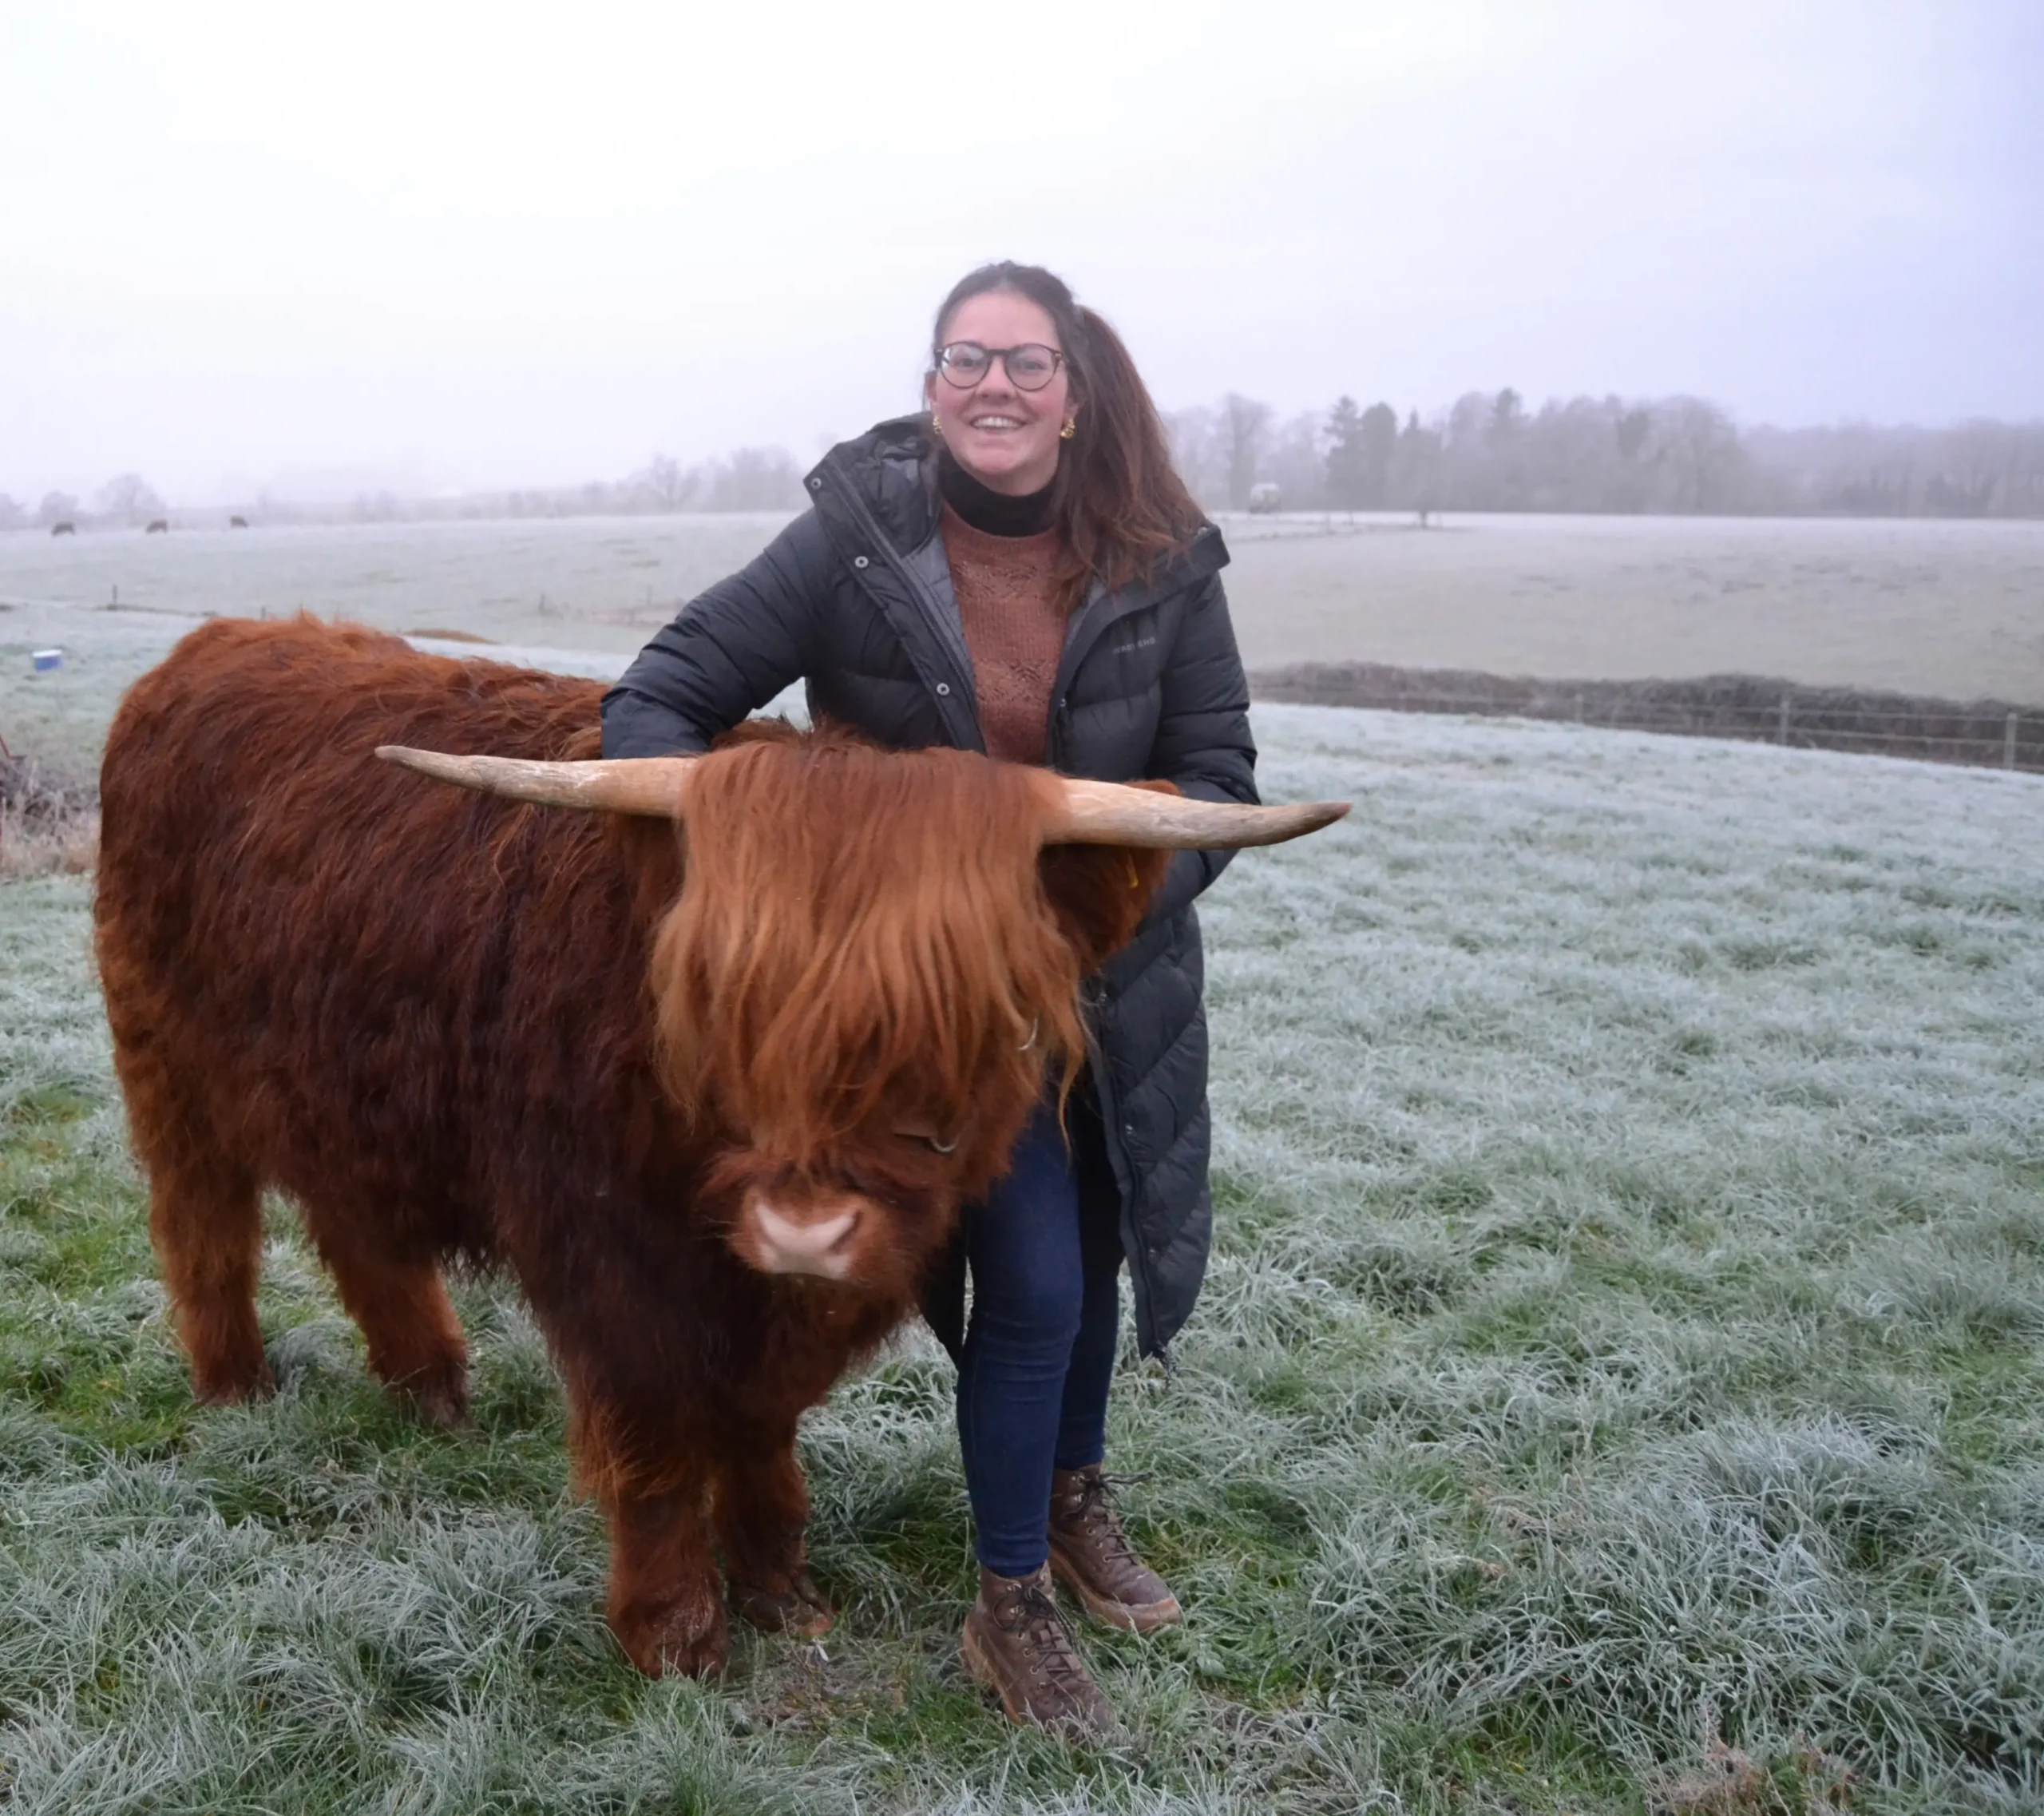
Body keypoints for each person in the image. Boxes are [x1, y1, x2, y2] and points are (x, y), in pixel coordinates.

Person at [602, 260, 1257, 1735]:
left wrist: (1076, 931)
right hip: (924, 1016)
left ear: (1078, 395)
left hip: (1103, 986)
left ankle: (1077, 1498)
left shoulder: (1160, 560)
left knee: (1094, 1266)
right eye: (967, 360)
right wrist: (763, 869)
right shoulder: (856, 538)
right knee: (1029, 1286)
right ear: (930, 384)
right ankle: (1007, 1594)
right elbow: (667, 689)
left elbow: (1217, 785)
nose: (995, 388)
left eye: (1027, 364)